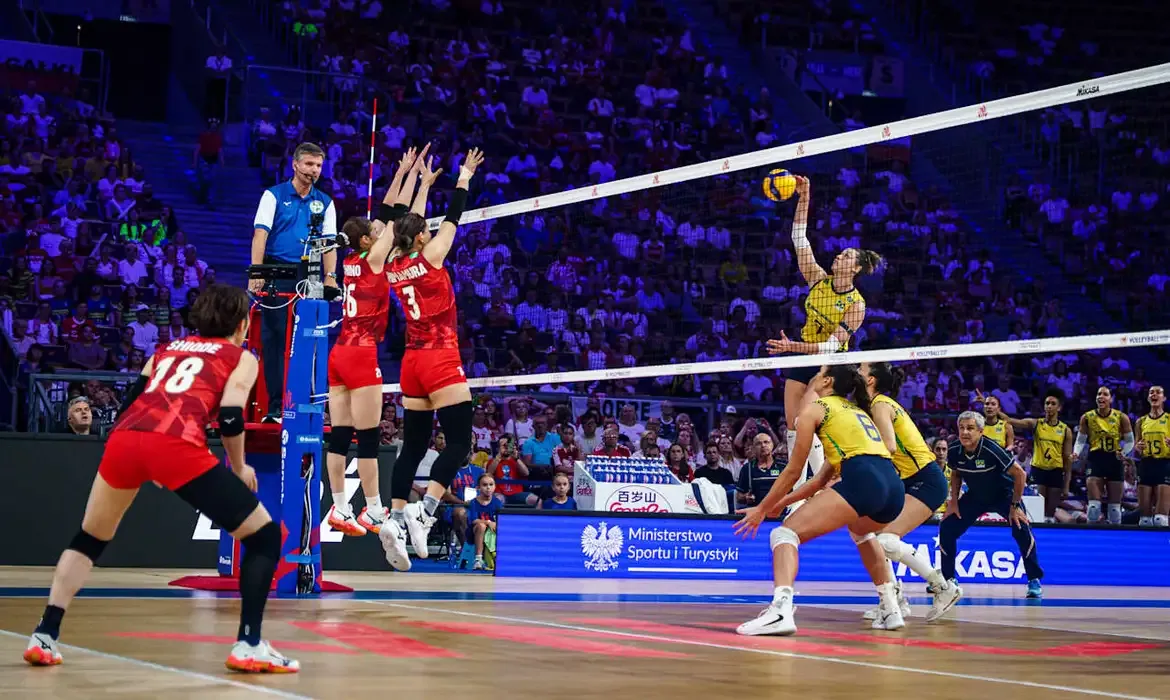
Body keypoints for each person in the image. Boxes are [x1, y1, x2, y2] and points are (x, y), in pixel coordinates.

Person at [23, 285, 299, 672]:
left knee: (89, 538)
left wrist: (145, 461)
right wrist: (238, 468)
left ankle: (45, 634)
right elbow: (233, 417)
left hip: (125, 440)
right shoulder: (241, 357)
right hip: (175, 443)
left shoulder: (167, 350)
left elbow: (130, 403)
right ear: (242, 324)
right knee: (265, 537)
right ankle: (250, 643)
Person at [734, 365, 904, 636]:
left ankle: (780, 611)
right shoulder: (856, 413)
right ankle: (890, 606)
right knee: (861, 531)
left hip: (864, 479)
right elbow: (818, 482)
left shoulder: (815, 409)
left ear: (825, 381)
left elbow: (793, 471)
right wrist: (777, 505)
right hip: (893, 488)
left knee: (784, 534)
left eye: (821, 370)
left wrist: (762, 509)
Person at [379, 147, 485, 566]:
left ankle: (395, 517)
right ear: (422, 236)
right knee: (460, 442)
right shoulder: (432, 255)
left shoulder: (391, 263)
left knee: (413, 447)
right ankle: (424, 513)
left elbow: (406, 223)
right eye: (425, 229)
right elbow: (454, 217)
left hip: (411, 364)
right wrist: (463, 177)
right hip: (440, 358)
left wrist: (422, 184)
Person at [324, 146, 426, 553]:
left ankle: (339, 508)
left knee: (339, 437)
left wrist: (407, 175)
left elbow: (391, 218)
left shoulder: (349, 261)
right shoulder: (372, 260)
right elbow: (392, 216)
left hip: (339, 352)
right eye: (375, 232)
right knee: (366, 439)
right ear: (368, 240)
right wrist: (408, 176)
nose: (380, 233)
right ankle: (373, 509)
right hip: (362, 352)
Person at [764, 175, 882, 509]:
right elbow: (798, 237)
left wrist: (792, 349)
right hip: (800, 354)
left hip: (830, 365)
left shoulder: (857, 304)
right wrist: (805, 195)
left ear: (856, 268)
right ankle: (799, 496)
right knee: (792, 426)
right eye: (841, 254)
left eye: (846, 256)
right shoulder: (818, 279)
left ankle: (823, 492)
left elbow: (832, 346)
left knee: (806, 422)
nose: (839, 257)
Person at [856, 362, 961, 625]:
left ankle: (942, 586)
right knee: (875, 537)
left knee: (886, 541)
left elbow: (888, 447)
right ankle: (895, 602)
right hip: (909, 480)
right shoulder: (872, 406)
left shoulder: (880, 405)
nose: (856, 371)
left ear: (871, 380)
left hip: (927, 480)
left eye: (860, 369)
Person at [250, 142, 339, 423]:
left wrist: (330, 276)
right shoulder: (273, 195)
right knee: (274, 338)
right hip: (276, 271)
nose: (314, 170)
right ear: (296, 165)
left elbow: (329, 244)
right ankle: (275, 407)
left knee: (310, 339)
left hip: (309, 273)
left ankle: (309, 403)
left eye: (319, 166)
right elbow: (260, 236)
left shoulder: (325, 202)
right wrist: (257, 273)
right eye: (310, 164)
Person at [942, 411, 1044, 599]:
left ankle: (1034, 580)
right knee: (947, 527)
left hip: (1003, 494)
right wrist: (953, 502)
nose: (965, 432)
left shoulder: (991, 449)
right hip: (976, 495)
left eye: (970, 428)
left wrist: (1014, 506)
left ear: (980, 431)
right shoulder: (954, 449)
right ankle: (948, 580)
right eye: (962, 428)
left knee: (1022, 528)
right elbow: (956, 474)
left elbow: (1020, 474)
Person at [991, 388, 1072, 523]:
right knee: (1037, 511)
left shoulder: (1065, 430)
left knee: (1050, 516)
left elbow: (1067, 459)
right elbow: (1009, 420)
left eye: (1053, 404)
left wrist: (1066, 485)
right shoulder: (1036, 424)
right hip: (1038, 471)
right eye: (1047, 403)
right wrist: (994, 409)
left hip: (1056, 472)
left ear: (1059, 408)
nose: (1049, 406)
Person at [1076, 386, 1134, 524]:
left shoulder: (1121, 417)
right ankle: (1090, 539)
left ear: (1111, 399)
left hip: (1114, 460)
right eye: (1099, 394)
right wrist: (1075, 453)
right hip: (1095, 460)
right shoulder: (1087, 417)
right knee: (1094, 507)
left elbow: (1130, 441)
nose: (1101, 396)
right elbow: (1080, 440)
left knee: (1114, 509)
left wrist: (1124, 452)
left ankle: (1116, 540)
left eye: (1105, 394)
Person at [1135, 385, 1169, 526]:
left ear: (1164, 398)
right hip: (1146, 465)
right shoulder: (1140, 421)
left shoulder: (1168, 419)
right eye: (1151, 392)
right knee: (1145, 520)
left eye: (1158, 392)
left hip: (1164, 464)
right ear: (1148, 398)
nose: (1154, 394)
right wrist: (1138, 447)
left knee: (1160, 520)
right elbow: (1136, 446)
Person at [466, 473, 502, 570]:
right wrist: (488, 522)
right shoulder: (473, 502)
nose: (488, 488)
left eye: (491, 485)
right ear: (478, 487)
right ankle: (478, 560)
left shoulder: (497, 502)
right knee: (481, 526)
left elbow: (501, 520)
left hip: (492, 534)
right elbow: (474, 520)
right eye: (485, 485)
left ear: (495, 487)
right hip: (474, 533)